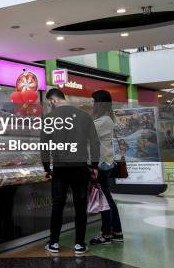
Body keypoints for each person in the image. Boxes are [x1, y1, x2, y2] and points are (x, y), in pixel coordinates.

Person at [41, 88, 100, 255]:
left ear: (53, 100)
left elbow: (44, 146)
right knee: (80, 206)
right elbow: (95, 143)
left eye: (48, 103)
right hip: (80, 168)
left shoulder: (49, 118)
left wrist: (47, 168)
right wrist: (94, 166)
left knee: (57, 205)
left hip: (60, 168)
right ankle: (79, 244)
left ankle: (53, 242)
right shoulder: (84, 116)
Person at [89, 90, 124, 245]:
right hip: (106, 162)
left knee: (104, 199)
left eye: (94, 101)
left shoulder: (103, 120)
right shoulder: (108, 118)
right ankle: (116, 232)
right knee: (107, 198)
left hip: (102, 163)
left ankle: (107, 234)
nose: (92, 104)